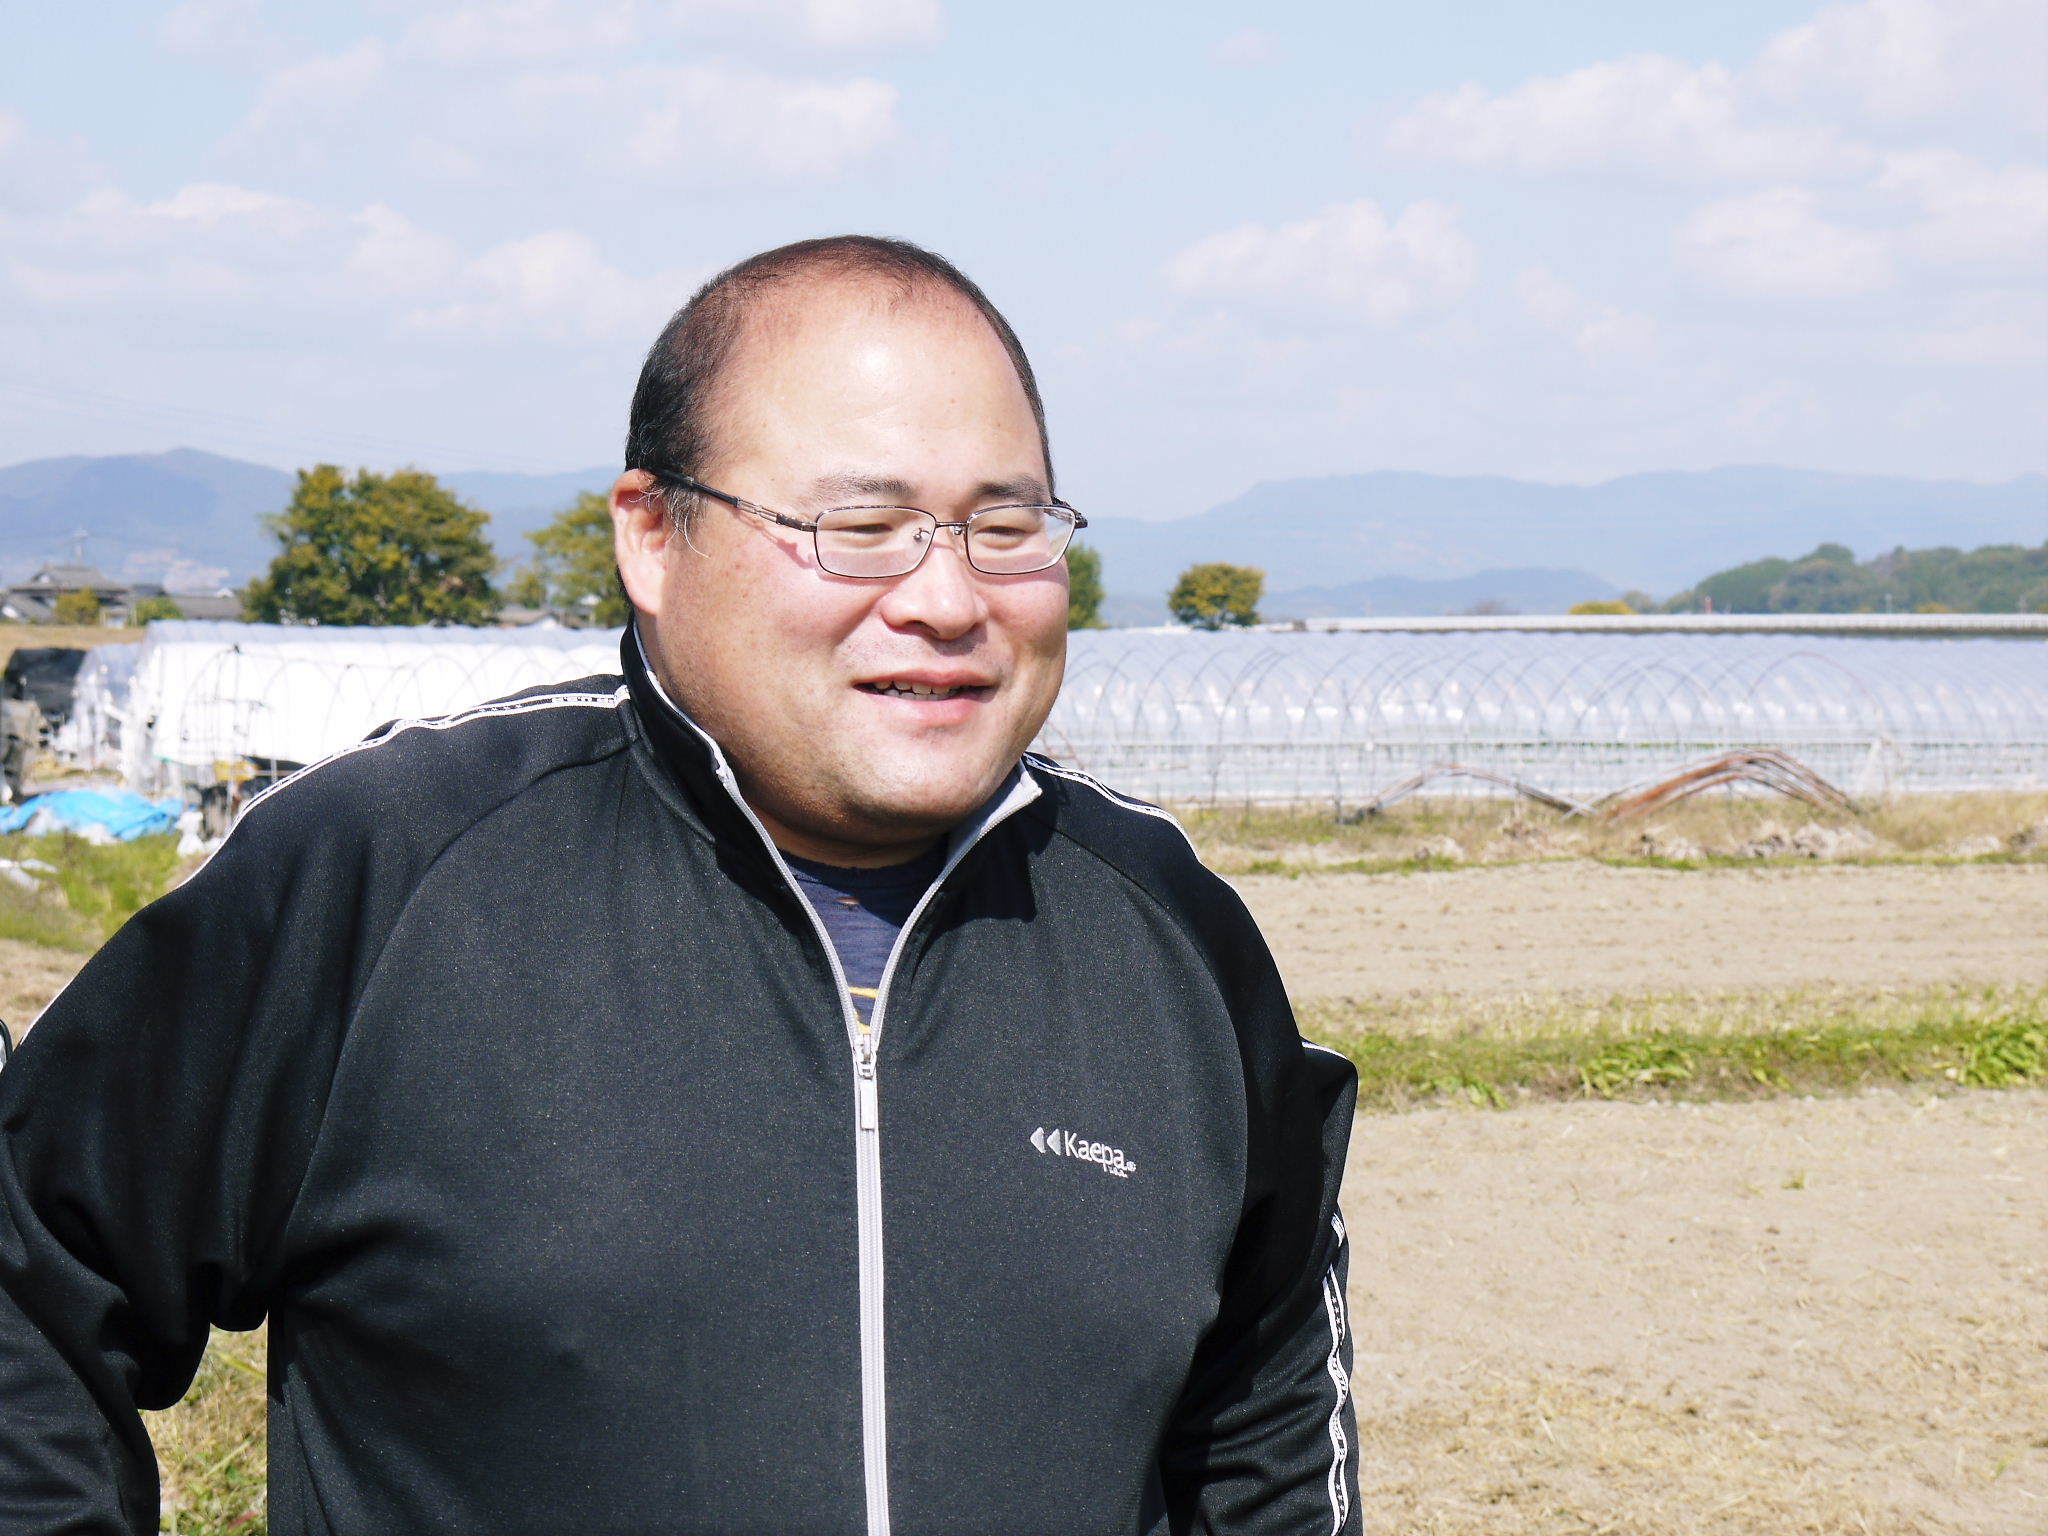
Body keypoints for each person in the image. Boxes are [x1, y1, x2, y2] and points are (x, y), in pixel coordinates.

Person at [0, 236, 1359, 1535]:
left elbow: (1269, 1411)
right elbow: (32, 1274)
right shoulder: (387, 876)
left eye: (1006, 526)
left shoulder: (1164, 930)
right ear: (652, 537)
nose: (948, 600)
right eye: (860, 524)